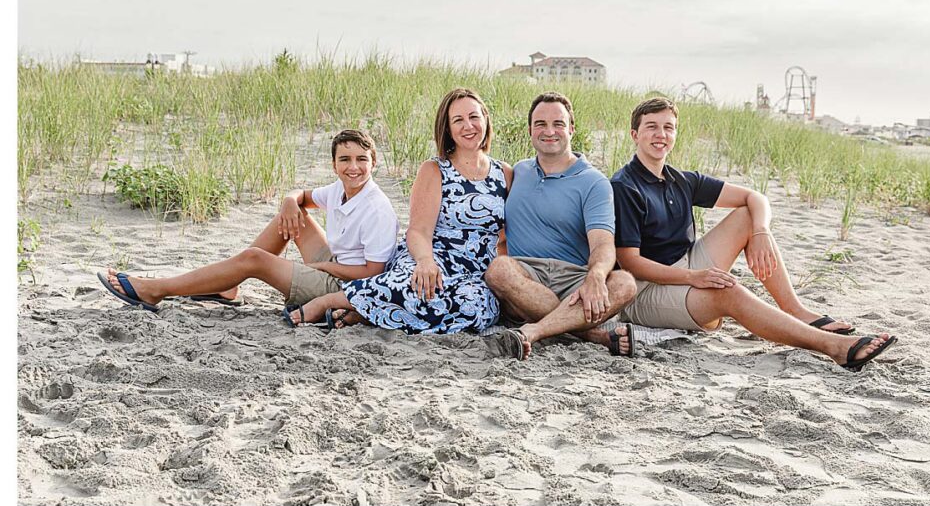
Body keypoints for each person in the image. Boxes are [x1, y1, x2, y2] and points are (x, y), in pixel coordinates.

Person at [610, 97, 897, 371]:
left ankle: (796, 310)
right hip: (646, 290)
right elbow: (631, 262)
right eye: (652, 127)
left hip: (685, 265)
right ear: (635, 134)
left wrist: (760, 232)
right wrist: (693, 277)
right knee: (729, 292)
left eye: (668, 127)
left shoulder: (681, 179)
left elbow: (756, 197)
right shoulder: (625, 186)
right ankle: (833, 347)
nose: (661, 134)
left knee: (748, 215)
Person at [98, 129, 400, 313]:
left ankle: (157, 289)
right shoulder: (339, 188)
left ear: (374, 162)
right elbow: (302, 197)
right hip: (337, 263)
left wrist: (321, 267)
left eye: (362, 159)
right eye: (345, 160)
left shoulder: (377, 208)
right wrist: (288, 201)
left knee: (254, 259)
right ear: (334, 165)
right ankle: (227, 287)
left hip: (347, 285)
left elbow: (371, 275)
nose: (354, 167)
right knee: (294, 215)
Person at [291, 87, 512, 334]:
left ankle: (365, 314)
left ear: (485, 119)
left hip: (473, 271)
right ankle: (330, 301)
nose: (468, 126)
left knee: (478, 307)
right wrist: (425, 261)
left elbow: (505, 238)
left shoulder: (504, 173)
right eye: (458, 120)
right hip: (429, 256)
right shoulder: (435, 169)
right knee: (414, 286)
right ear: (448, 129)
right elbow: (418, 230)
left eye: (474, 117)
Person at [483, 92, 638, 361]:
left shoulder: (594, 182)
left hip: (574, 279)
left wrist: (596, 276)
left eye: (558, 123)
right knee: (498, 269)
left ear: (571, 129)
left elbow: (602, 243)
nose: (549, 131)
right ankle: (592, 335)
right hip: (526, 276)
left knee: (624, 283)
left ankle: (534, 331)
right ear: (530, 130)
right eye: (540, 124)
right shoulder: (518, 171)